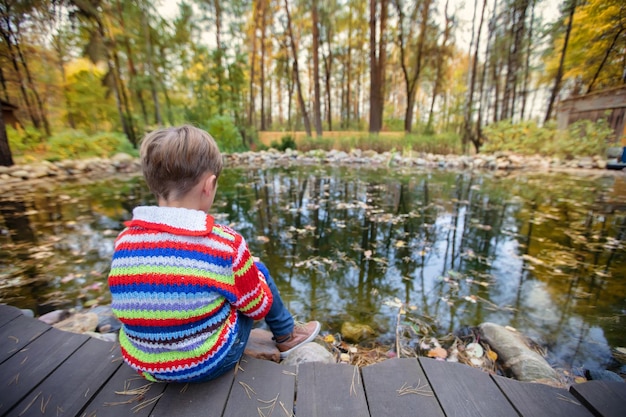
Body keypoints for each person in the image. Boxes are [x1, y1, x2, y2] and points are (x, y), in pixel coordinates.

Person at [108, 125, 320, 383]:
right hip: (206, 363)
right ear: (209, 185)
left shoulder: (125, 239)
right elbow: (258, 309)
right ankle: (287, 336)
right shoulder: (226, 243)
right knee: (256, 270)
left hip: (144, 364)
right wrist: (250, 276)